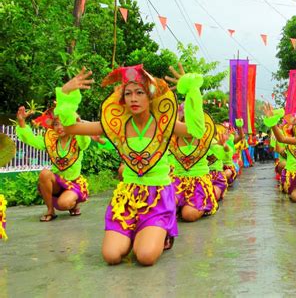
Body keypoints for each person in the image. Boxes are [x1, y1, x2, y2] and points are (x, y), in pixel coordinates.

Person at [54, 63, 205, 266]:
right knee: (111, 256)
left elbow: (195, 131)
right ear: (123, 99)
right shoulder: (116, 125)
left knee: (145, 257)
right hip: (127, 197)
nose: (133, 98)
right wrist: (66, 93)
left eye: (140, 92)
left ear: (150, 96)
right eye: (128, 93)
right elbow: (71, 128)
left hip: (157, 196)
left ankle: (161, 233)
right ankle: (138, 233)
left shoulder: (164, 123)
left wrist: (192, 88)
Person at [16, 105, 91, 221]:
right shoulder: (51, 140)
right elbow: (31, 139)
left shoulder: (78, 139)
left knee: (64, 204)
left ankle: (74, 203)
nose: (59, 127)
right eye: (56, 124)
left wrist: (78, 121)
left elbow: (85, 140)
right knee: (44, 174)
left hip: (74, 183)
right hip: (57, 182)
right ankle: (50, 210)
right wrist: (21, 121)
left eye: (63, 123)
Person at [169, 111, 218, 222]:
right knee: (165, 205)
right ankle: (178, 206)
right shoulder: (172, 139)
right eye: (186, 122)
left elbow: (223, 154)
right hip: (177, 181)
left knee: (188, 215)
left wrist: (224, 147)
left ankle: (198, 203)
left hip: (199, 183)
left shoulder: (206, 138)